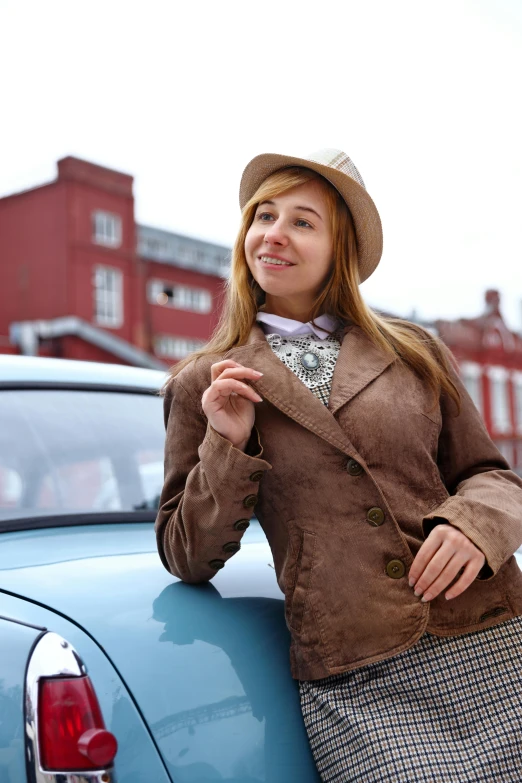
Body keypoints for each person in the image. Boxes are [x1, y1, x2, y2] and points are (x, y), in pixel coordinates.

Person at [155, 149, 522, 781]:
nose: (274, 233)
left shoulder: (415, 352)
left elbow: (493, 476)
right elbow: (184, 554)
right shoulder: (201, 384)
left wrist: (475, 525)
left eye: (303, 221)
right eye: (263, 215)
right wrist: (227, 445)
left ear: (339, 249)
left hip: (488, 632)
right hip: (355, 673)